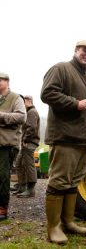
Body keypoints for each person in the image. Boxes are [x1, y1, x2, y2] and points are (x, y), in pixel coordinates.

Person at [41, 40, 86, 244]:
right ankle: (53, 229)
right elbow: (47, 93)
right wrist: (76, 103)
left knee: (73, 182)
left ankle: (68, 222)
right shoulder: (61, 68)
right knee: (58, 182)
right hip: (65, 137)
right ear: (76, 51)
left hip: (83, 140)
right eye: (85, 51)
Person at [0, 72, 26, 221]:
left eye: (1, 80)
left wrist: (1, 116)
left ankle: (2, 208)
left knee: (2, 176)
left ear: (7, 82)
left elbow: (22, 117)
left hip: (7, 144)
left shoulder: (15, 98)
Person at [13, 95, 40, 198]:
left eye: (22, 102)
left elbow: (31, 127)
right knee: (19, 164)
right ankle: (22, 186)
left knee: (29, 165)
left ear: (28, 101)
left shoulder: (32, 112)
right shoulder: (28, 112)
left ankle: (31, 189)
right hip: (25, 142)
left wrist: (25, 139)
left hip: (29, 142)